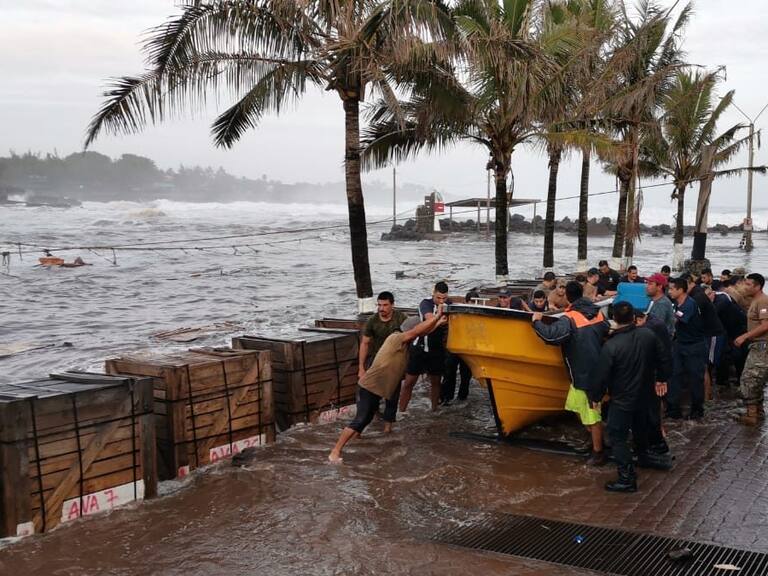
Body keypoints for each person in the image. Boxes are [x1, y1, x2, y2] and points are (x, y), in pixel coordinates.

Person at [329, 311, 448, 462]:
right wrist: (436, 317)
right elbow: (417, 331)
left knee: (366, 419)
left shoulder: (405, 343)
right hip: (369, 387)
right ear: (410, 330)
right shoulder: (396, 338)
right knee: (360, 419)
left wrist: (437, 324)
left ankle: (357, 443)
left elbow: (421, 332)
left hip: (379, 388)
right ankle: (335, 451)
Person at [589, 302, 670, 492]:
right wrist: (662, 378)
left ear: (615, 320)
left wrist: (596, 396)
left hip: (623, 398)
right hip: (645, 395)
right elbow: (664, 356)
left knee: (617, 436)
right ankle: (644, 457)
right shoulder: (648, 335)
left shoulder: (612, 346)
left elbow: (601, 375)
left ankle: (627, 478)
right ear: (634, 318)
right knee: (640, 428)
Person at [532, 281, 609, 465]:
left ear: (567, 296)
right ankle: (596, 437)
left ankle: (599, 452)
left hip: (584, 374)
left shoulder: (570, 318)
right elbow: (605, 328)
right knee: (575, 407)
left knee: (592, 415)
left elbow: (552, 336)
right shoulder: (597, 312)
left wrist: (536, 321)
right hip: (592, 370)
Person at [357, 291, 409, 432]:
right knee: (370, 393)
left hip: (394, 361)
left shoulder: (401, 318)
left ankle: (388, 427)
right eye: (379, 305)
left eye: (385, 305)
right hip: (377, 360)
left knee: (392, 394)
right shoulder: (372, 321)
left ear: (392, 305)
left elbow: (411, 335)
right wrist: (361, 368)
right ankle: (368, 420)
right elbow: (365, 343)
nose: (381, 308)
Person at [399, 281, 450, 412]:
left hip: (437, 348)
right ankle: (401, 411)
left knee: (436, 381)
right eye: (438, 298)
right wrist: (439, 319)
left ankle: (434, 410)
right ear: (433, 293)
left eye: (444, 298)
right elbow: (429, 321)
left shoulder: (449, 304)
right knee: (409, 382)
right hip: (420, 347)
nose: (441, 301)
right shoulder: (425, 303)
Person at [634, 311, 673, 469]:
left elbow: (661, 356)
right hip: (656, 375)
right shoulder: (654, 325)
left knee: (651, 410)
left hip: (653, 376)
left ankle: (656, 444)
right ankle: (658, 441)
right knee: (654, 408)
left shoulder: (650, 330)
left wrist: (660, 378)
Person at [667, 277, 708, 420]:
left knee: (695, 378)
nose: (669, 291)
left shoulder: (689, 304)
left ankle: (697, 409)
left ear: (680, 290)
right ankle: (673, 409)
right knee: (674, 375)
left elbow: (677, 319)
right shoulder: (675, 303)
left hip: (694, 346)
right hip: (680, 344)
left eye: (672, 289)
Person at [733, 273, 768, 425]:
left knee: (749, 379)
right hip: (757, 345)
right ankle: (758, 412)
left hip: (762, 346)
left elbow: (765, 325)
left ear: (757, 286)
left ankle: (752, 415)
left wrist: (744, 336)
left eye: (748, 284)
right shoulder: (756, 300)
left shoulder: (763, 301)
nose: (745, 287)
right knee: (756, 379)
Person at [706, 285, 747, 388]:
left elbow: (712, 313)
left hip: (737, 329)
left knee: (737, 354)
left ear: (713, 292)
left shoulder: (722, 299)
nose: (708, 297)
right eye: (705, 296)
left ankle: (740, 379)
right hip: (725, 329)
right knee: (723, 355)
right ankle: (723, 381)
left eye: (709, 294)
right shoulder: (711, 301)